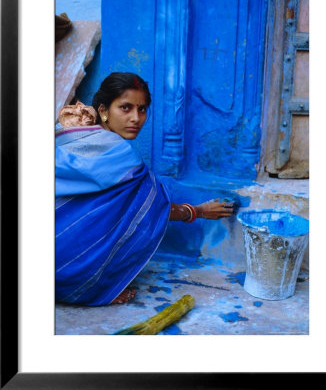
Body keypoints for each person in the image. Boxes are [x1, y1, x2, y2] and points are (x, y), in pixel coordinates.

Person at [55, 72, 234, 306]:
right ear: (104, 111)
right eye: (126, 108)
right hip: (68, 271)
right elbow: (153, 208)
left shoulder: (70, 137)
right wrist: (198, 211)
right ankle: (92, 285)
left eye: (142, 109)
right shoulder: (123, 157)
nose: (136, 118)